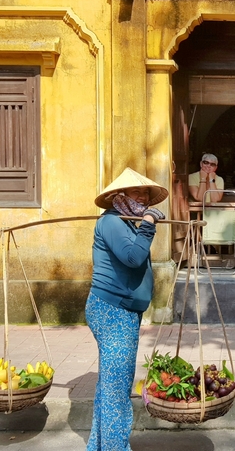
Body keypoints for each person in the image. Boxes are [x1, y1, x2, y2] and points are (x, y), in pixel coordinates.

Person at [87, 167, 168, 451]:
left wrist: (143, 224)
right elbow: (133, 258)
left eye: (146, 193)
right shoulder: (111, 222)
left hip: (123, 312)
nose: (144, 197)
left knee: (110, 387)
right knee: (117, 392)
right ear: (118, 196)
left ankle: (99, 447)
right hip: (112, 311)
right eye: (137, 192)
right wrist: (148, 223)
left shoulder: (126, 222)